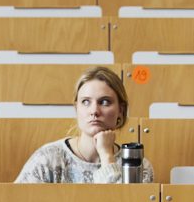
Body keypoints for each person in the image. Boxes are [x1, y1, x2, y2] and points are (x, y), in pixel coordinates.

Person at [15, 66, 153, 183]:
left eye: (105, 102)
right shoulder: (47, 158)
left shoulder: (139, 166)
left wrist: (106, 156)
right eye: (86, 102)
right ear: (77, 108)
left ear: (120, 111)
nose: (94, 111)